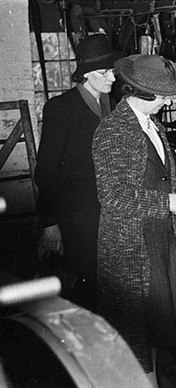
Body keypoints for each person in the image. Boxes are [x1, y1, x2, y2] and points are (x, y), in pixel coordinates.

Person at [92, 54, 176, 381]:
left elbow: (154, 176)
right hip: (133, 245)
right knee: (135, 336)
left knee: (155, 332)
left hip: (158, 239)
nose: (167, 102)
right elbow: (113, 196)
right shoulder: (113, 131)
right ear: (142, 93)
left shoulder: (152, 126)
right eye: (162, 97)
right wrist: (166, 201)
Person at [34, 33, 122, 311]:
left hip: (109, 213)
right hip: (76, 218)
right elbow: (46, 171)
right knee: (84, 291)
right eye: (104, 72)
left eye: (112, 71)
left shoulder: (114, 106)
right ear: (85, 74)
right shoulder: (61, 109)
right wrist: (50, 224)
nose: (112, 77)